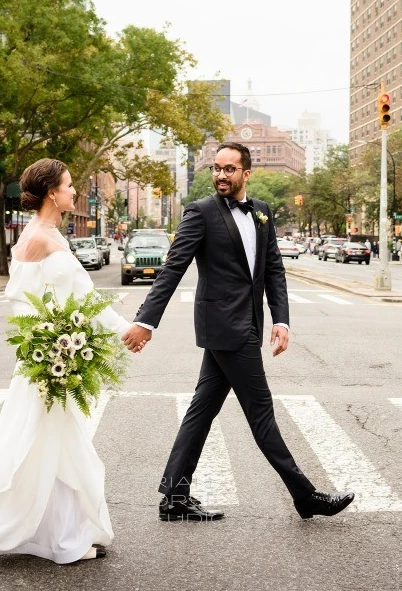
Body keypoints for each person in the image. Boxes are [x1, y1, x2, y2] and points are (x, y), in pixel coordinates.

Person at [122, 142, 354, 522]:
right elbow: (173, 268)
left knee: (201, 410)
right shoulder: (200, 212)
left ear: (247, 173)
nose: (220, 175)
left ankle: (174, 497)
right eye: (216, 168)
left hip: (246, 324)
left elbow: (274, 269)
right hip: (227, 329)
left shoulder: (262, 212)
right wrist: (146, 322)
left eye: (229, 169)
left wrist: (281, 320)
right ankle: (305, 496)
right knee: (261, 414)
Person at [0, 158, 130, 563]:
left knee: (55, 446)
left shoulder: (47, 233)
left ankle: (64, 531)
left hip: (52, 356)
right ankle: (64, 537)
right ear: (53, 192)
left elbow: (68, 299)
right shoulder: (40, 238)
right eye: (70, 186)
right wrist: (117, 331)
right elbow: (55, 301)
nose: (74, 191)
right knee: (48, 445)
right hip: (48, 362)